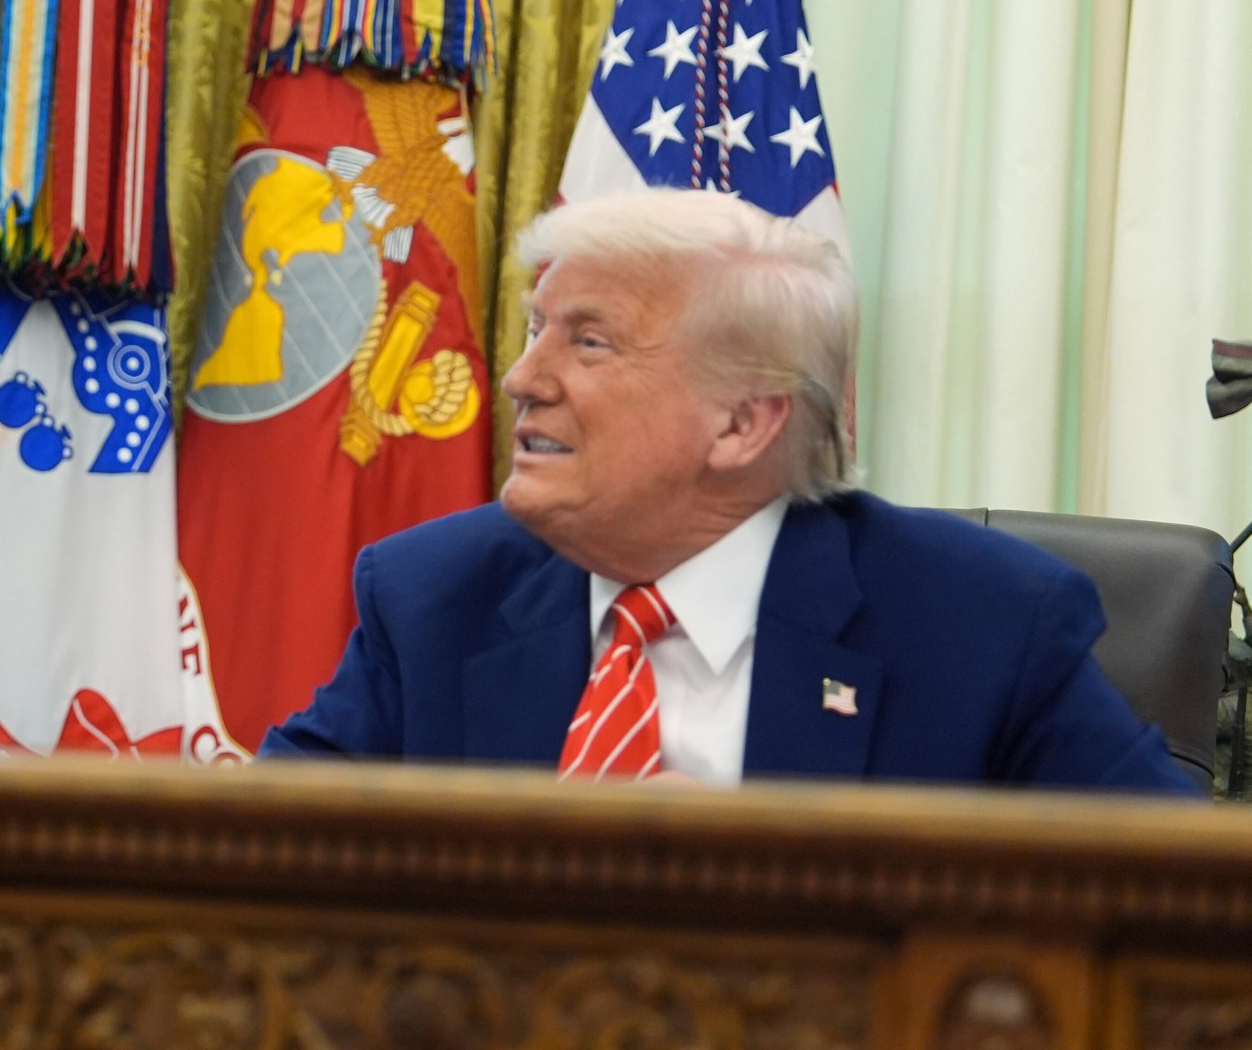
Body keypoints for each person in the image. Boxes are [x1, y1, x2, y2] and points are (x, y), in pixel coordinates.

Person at [264, 189, 1196, 793]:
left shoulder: (983, 627)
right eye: (537, 326)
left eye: (589, 341)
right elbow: (253, 871)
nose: (522, 376)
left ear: (744, 422)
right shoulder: (433, 598)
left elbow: (1182, 918)